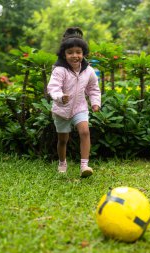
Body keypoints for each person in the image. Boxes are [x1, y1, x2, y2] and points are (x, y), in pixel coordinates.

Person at [47, 27, 101, 178]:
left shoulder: (88, 70)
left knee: (85, 131)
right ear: (64, 55)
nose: (74, 56)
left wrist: (95, 102)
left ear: (83, 53)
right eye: (70, 53)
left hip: (79, 107)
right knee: (63, 140)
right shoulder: (59, 70)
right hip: (61, 110)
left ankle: (84, 165)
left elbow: (93, 88)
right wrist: (60, 96)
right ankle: (62, 163)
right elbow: (53, 87)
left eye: (78, 52)